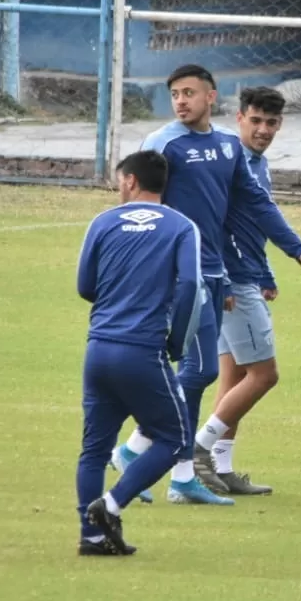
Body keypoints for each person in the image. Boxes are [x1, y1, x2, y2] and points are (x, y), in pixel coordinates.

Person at [109, 65, 301, 506]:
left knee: (205, 372)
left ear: (210, 96)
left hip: (214, 274)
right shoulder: (163, 144)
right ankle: (147, 454)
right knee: (203, 371)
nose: (181, 101)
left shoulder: (227, 147)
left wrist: (294, 249)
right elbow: (132, 199)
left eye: (189, 93)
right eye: (175, 94)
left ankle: (172, 467)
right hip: (177, 275)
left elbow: (256, 205)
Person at [193, 87, 301, 495]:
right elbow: (215, 228)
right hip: (230, 281)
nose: (263, 130)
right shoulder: (228, 163)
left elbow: (251, 225)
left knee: (234, 374)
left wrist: (266, 271)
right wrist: (228, 280)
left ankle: (219, 468)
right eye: (256, 121)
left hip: (244, 276)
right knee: (264, 375)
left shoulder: (257, 164)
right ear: (239, 118)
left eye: (271, 123)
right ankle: (196, 449)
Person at [74, 150, 201, 555]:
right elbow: (191, 288)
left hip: (98, 349)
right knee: (176, 438)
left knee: (94, 450)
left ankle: (91, 537)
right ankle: (110, 506)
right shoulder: (182, 227)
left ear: (130, 181)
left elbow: (84, 286)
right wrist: (177, 341)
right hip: (142, 351)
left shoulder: (102, 222)